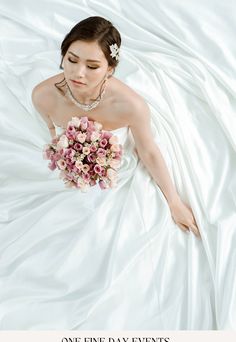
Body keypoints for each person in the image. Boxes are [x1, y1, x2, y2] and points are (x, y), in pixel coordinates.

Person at [32, 15, 200, 238]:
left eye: (92, 66)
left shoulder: (131, 106)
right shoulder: (43, 96)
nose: (78, 73)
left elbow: (148, 151)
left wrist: (174, 202)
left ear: (110, 69)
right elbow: (51, 130)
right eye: (72, 60)